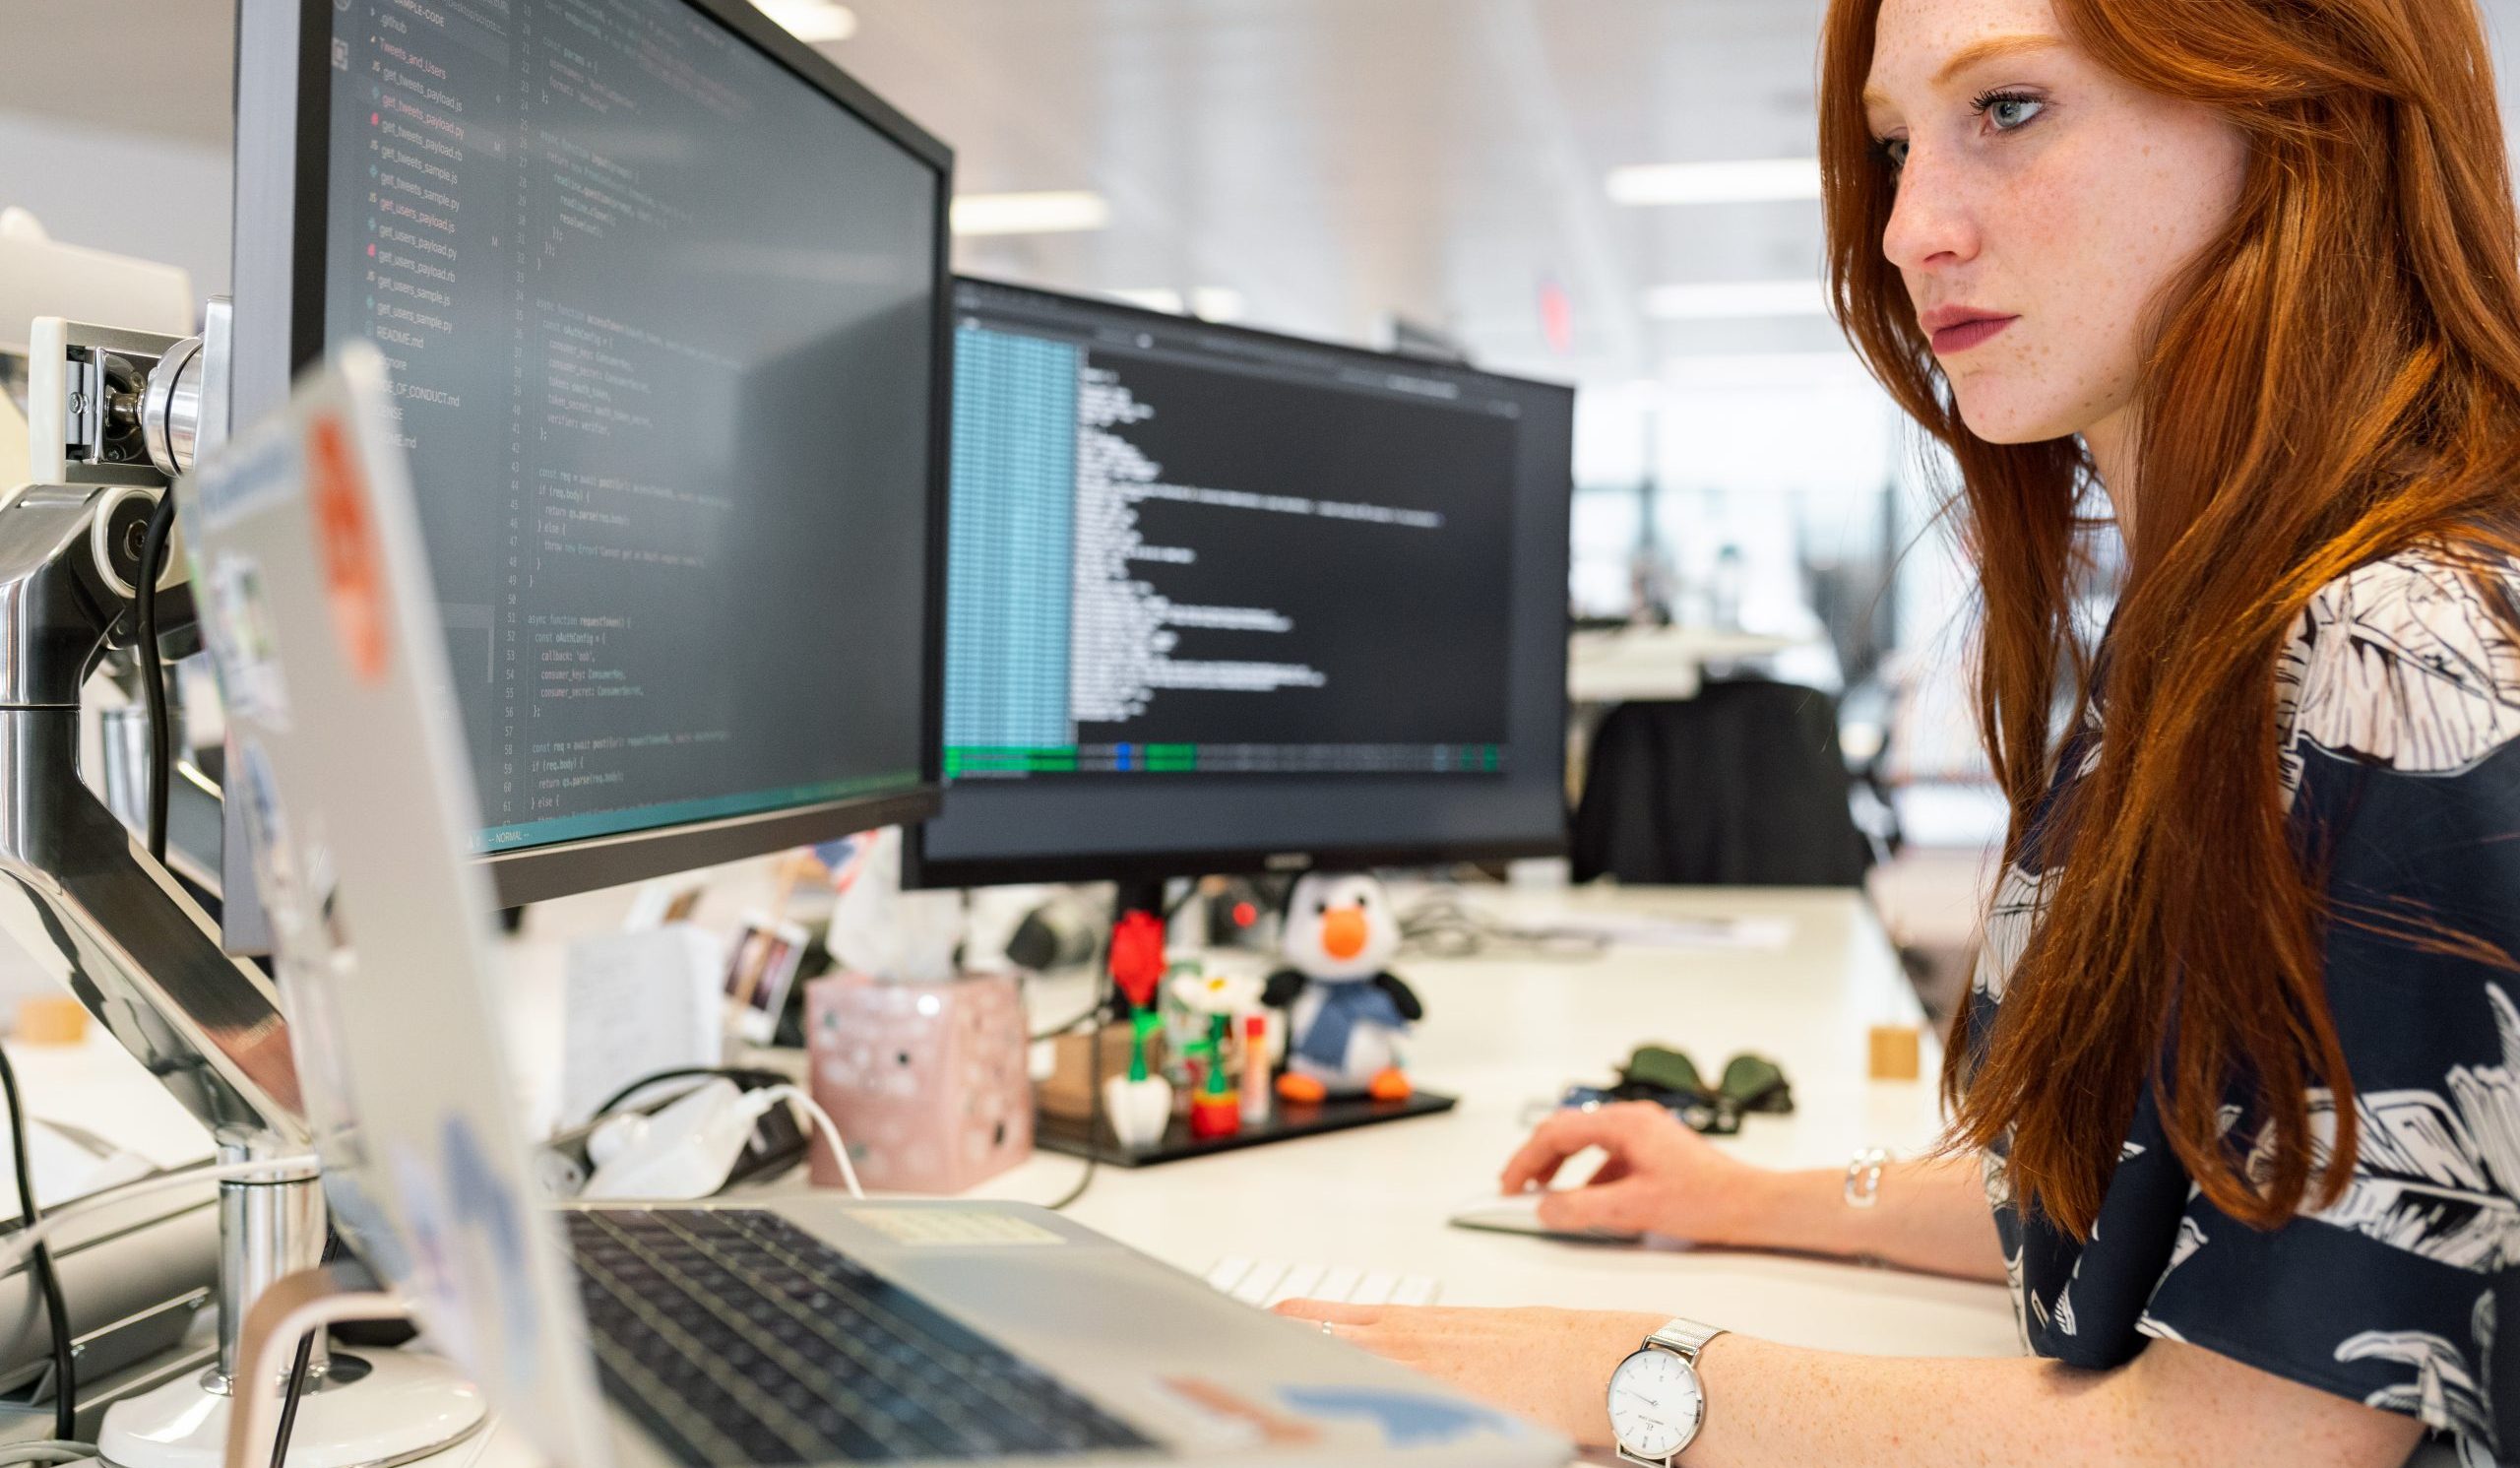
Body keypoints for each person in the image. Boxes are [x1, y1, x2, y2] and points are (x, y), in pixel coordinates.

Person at [1277, 0, 2520, 1462]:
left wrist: (1618, 1374)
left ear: (2303, 116)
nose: (1905, 227)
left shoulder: (2401, 658)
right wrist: (1747, 1203)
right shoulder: (2221, 632)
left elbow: (2245, 1442)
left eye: (2008, 109)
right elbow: (2157, 1196)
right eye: (1891, 145)